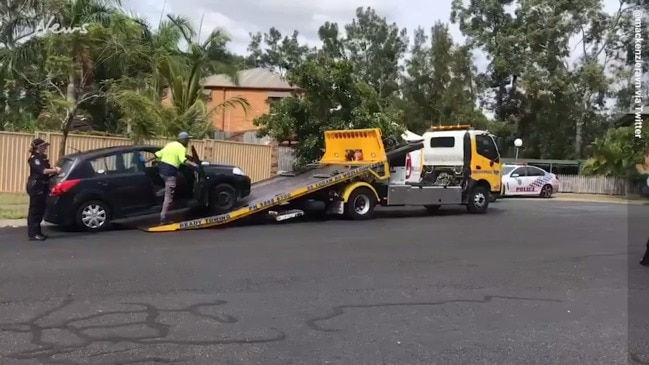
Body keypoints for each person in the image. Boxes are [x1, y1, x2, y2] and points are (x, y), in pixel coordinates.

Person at [154, 132, 199, 224]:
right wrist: (194, 164)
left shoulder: (170, 144)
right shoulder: (182, 148)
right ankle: (163, 218)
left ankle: (161, 194)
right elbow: (183, 160)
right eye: (187, 140)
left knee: (171, 187)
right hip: (170, 173)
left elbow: (158, 154)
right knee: (169, 196)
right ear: (184, 140)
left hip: (162, 172)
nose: (188, 141)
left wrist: (146, 160)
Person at [26, 138, 60, 241]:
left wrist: (54, 171)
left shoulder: (41, 158)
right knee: (35, 211)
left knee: (40, 210)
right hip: (36, 187)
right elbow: (43, 171)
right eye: (44, 146)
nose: (45, 148)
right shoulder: (34, 158)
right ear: (38, 147)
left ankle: (38, 231)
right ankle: (33, 233)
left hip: (42, 186)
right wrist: (55, 170)